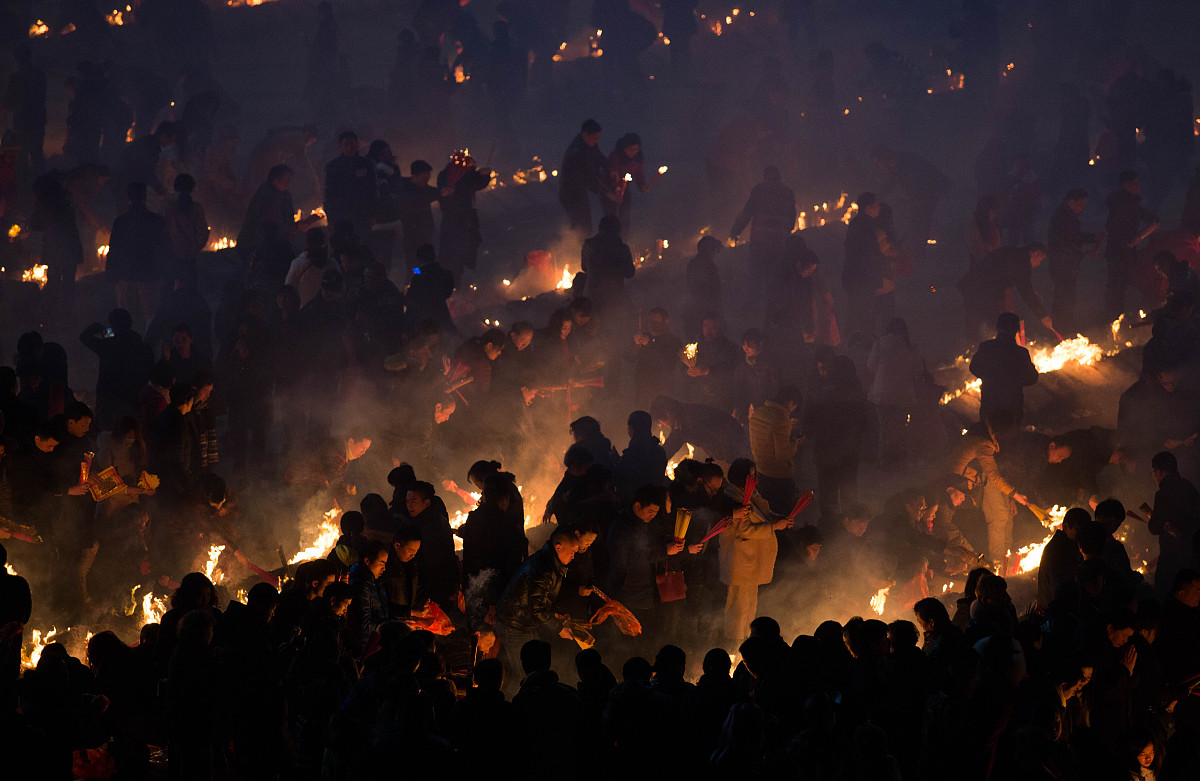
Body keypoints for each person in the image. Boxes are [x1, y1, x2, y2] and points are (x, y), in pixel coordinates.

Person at [717, 459, 789, 645]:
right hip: (740, 562)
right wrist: (774, 527)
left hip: (751, 562)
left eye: (754, 473)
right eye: (750, 474)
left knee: (749, 606)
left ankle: (748, 642)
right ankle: (735, 646)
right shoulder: (733, 498)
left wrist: (778, 519)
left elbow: (764, 514)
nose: (754, 477)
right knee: (738, 608)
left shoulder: (750, 494)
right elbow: (745, 529)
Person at [948, 413, 1031, 569]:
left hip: (970, 480)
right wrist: (1015, 494)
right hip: (960, 485)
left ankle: (1005, 561)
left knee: (1003, 516)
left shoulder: (982, 435)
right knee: (999, 518)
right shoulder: (984, 443)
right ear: (1000, 433)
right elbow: (993, 475)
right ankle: (999, 565)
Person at [496, 528, 580, 676]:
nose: (573, 557)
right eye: (571, 552)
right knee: (526, 673)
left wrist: (557, 614)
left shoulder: (549, 563)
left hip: (524, 623)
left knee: (535, 668)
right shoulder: (543, 568)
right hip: (515, 624)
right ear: (558, 547)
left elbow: (542, 598)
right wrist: (559, 629)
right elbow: (537, 608)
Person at [107, 182, 172, 326]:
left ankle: (123, 342)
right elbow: (165, 247)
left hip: (125, 272)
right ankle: (149, 344)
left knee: (122, 313)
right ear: (145, 197)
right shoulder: (156, 220)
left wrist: (111, 273)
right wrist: (166, 271)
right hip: (148, 272)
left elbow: (114, 249)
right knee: (150, 314)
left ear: (129, 198)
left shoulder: (121, 221)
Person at [958, 243, 1052, 341]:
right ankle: (985, 347)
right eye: (1040, 260)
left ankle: (979, 345)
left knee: (981, 321)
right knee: (985, 321)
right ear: (1034, 254)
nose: (1039, 264)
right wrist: (1044, 317)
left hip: (976, 286)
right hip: (979, 289)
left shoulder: (1014, 254)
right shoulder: (1021, 263)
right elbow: (1027, 293)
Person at [79, 309, 154, 429]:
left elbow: (84, 337)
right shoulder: (143, 348)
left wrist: (97, 327)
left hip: (109, 402)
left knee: (106, 437)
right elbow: (150, 373)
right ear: (130, 323)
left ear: (113, 325)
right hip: (134, 401)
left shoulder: (108, 346)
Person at [730, 166, 797, 300]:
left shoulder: (759, 191)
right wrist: (786, 232)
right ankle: (774, 306)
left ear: (765, 177)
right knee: (776, 276)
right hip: (778, 242)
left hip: (759, 242)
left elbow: (747, 212)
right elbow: (792, 217)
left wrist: (736, 230)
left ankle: (754, 307)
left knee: (756, 275)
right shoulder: (787, 193)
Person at [868, 318, 923, 468]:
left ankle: (885, 462)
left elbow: (871, 366)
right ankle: (899, 460)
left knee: (884, 428)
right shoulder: (910, 346)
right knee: (900, 427)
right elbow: (917, 369)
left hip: (882, 393)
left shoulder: (880, 342)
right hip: (902, 394)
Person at [1047, 188, 1104, 333]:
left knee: (1068, 297)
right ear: (1071, 202)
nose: (1083, 207)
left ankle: (1065, 327)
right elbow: (1064, 245)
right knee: (1064, 298)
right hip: (1062, 265)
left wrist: (1093, 238)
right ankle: (1062, 329)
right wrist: (1084, 255)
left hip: (1068, 265)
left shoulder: (1068, 217)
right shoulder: (1062, 218)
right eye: (1081, 204)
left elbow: (1074, 236)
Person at [1105, 170, 1160, 321]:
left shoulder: (1132, 203)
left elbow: (1155, 220)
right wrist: (1134, 238)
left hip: (1124, 251)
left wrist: (1139, 236)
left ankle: (1115, 319)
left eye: (1138, 183)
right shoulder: (1121, 204)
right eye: (1134, 183)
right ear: (1125, 185)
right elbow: (1112, 226)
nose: (1138, 186)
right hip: (1119, 251)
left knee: (1119, 287)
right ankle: (1112, 320)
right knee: (1116, 287)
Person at [969, 312, 1040, 425]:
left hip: (990, 404)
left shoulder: (986, 347)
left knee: (989, 436)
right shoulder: (1021, 353)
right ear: (1016, 329)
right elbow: (1032, 378)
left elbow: (974, 368)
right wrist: (1015, 381)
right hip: (1012, 407)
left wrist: (989, 377)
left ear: (998, 327)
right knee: (1010, 438)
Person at [1149, 450, 1200, 597]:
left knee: (1166, 594)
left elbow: (1155, 527)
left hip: (1171, 557)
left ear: (1160, 472)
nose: (1154, 477)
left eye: (1154, 472)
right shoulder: (1189, 487)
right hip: (1193, 553)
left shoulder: (1163, 493)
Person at [748, 386, 801, 514]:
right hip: (778, 477)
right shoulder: (782, 419)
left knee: (765, 514)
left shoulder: (758, 412)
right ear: (789, 402)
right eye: (794, 406)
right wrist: (795, 442)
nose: (793, 410)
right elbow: (782, 455)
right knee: (781, 515)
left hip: (761, 471)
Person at [436, 151, 492, 274]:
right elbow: (476, 183)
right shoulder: (466, 176)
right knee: (460, 252)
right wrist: (484, 176)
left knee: (450, 253)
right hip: (462, 220)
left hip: (451, 220)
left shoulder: (444, 175)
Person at [842, 192, 890, 337]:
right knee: (861, 313)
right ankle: (859, 344)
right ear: (868, 208)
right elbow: (869, 253)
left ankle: (857, 342)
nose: (878, 209)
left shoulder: (860, 223)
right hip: (861, 278)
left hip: (856, 277)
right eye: (876, 206)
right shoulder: (864, 225)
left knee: (858, 311)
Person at [559, 119, 610, 234]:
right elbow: (589, 177)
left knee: (586, 225)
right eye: (594, 138)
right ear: (585, 134)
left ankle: (581, 246)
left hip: (581, 190)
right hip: (570, 192)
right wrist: (607, 193)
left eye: (598, 138)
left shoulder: (590, 143)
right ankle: (575, 247)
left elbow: (599, 157)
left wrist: (610, 169)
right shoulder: (576, 153)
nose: (596, 141)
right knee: (580, 225)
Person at [324, 131, 376, 240]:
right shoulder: (333, 167)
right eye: (346, 145)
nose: (349, 148)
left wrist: (373, 214)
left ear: (357, 145)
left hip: (363, 214)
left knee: (364, 244)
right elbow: (329, 195)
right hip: (341, 215)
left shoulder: (367, 164)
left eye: (352, 145)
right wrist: (330, 218)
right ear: (340, 146)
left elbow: (373, 191)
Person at [613, 410, 668, 504]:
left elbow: (625, 477)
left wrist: (614, 461)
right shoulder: (659, 450)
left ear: (632, 428)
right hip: (655, 500)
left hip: (636, 503)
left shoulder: (634, 451)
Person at [1037, 506, 1086, 609]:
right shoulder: (1057, 549)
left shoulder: (1070, 544)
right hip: (1056, 609)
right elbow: (1058, 585)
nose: (1082, 533)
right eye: (1078, 529)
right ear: (1066, 526)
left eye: (1084, 529)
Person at [396, 160, 440, 269]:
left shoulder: (425, 189)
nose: (427, 178)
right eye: (424, 176)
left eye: (428, 176)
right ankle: (414, 282)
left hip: (426, 234)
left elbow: (436, 193)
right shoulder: (405, 191)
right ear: (415, 175)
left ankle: (424, 281)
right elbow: (420, 198)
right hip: (412, 236)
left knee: (427, 263)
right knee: (413, 265)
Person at [161, 173, 210, 267]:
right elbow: (202, 233)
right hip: (189, 258)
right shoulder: (196, 208)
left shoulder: (165, 206)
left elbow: (160, 230)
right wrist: (194, 249)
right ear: (191, 189)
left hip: (170, 256)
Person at [683, 236, 723, 338]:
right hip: (702, 312)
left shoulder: (693, 263)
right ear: (711, 250)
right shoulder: (708, 265)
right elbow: (713, 289)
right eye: (715, 250)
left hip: (692, 310)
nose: (716, 254)